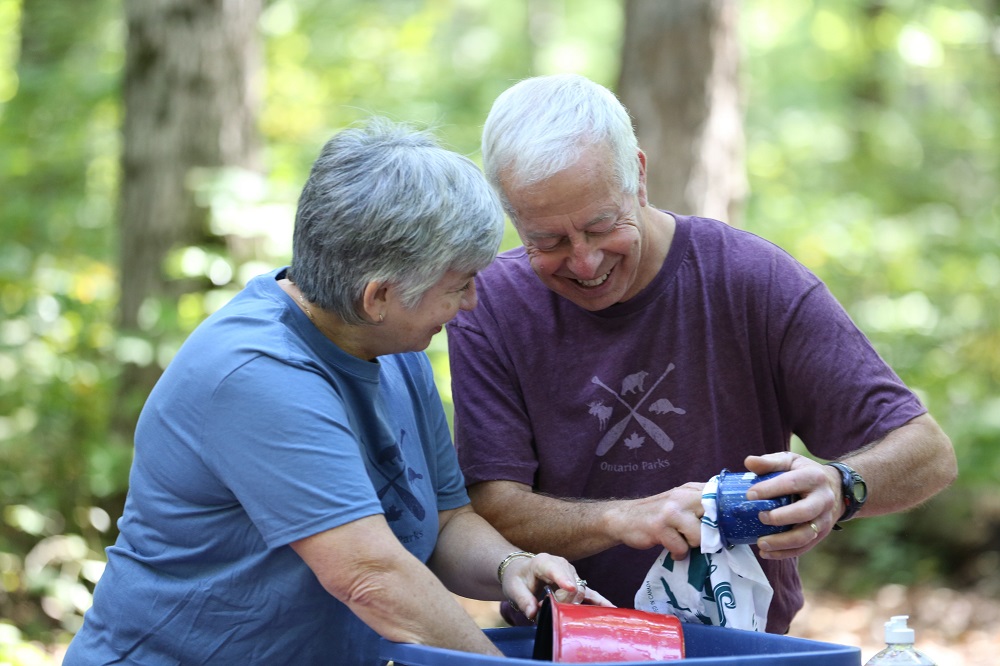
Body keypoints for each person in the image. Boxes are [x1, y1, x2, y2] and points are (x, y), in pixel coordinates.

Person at [64, 118, 610, 666]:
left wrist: (510, 566)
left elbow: (443, 520)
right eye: (459, 286)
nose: (470, 303)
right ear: (377, 296)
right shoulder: (257, 374)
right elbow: (371, 577)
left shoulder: (395, 345)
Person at [446, 74, 958, 634]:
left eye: (600, 226)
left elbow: (929, 453)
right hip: (559, 641)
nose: (585, 262)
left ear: (638, 176)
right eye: (549, 242)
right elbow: (492, 505)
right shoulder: (489, 303)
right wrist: (626, 518)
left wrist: (841, 486)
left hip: (737, 644)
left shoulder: (749, 279)